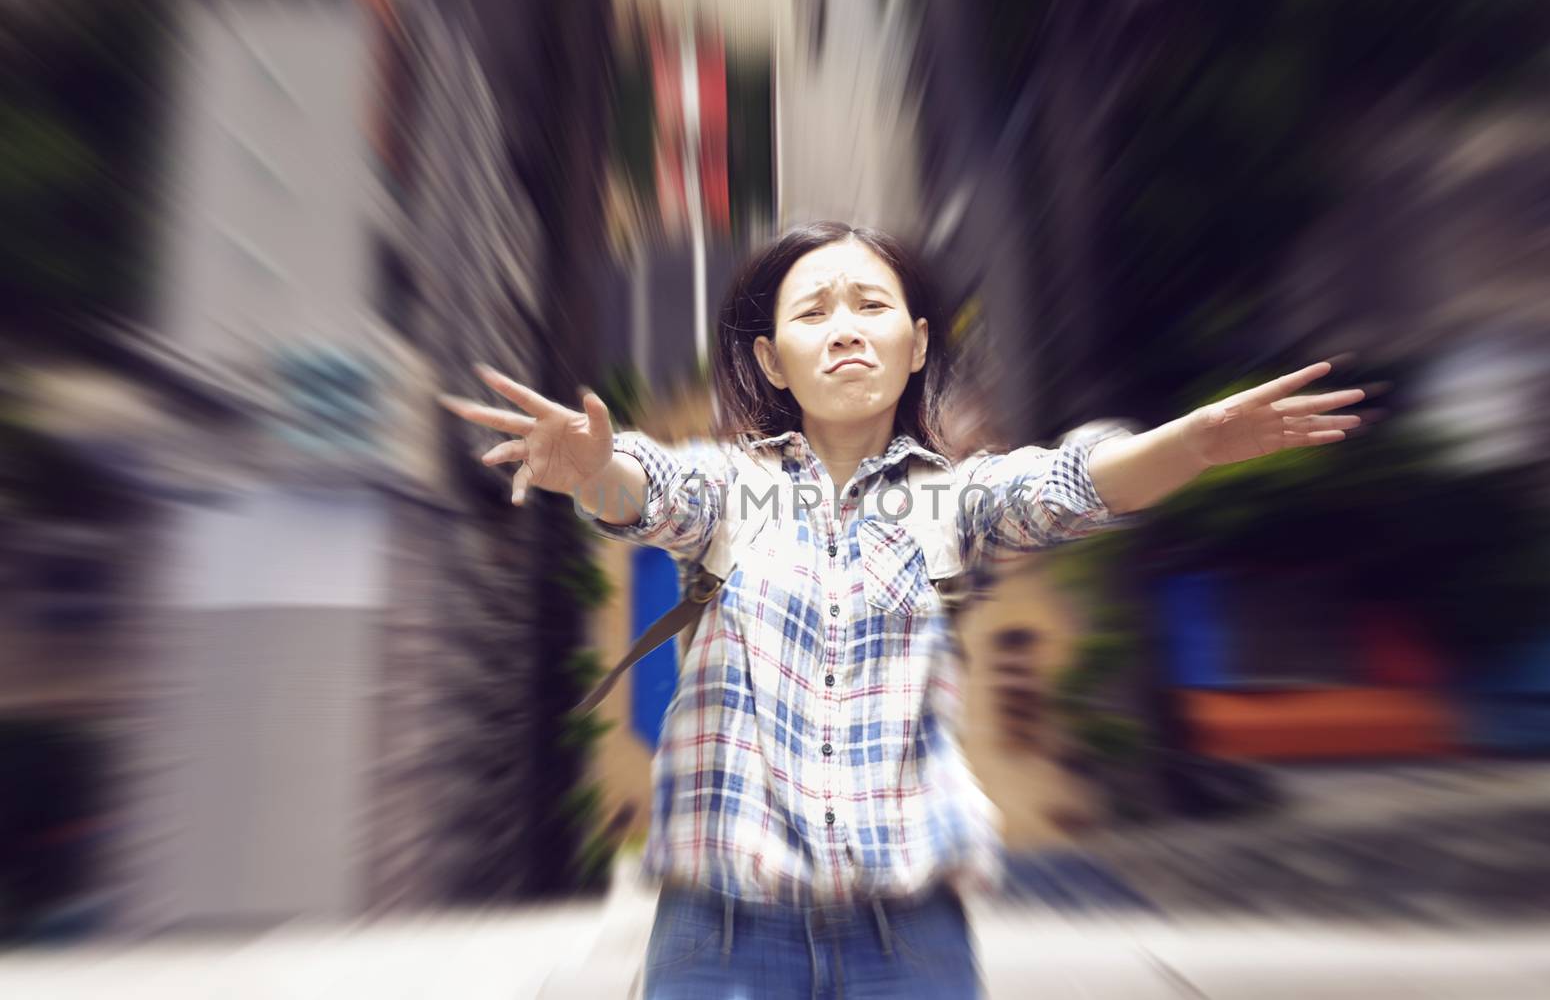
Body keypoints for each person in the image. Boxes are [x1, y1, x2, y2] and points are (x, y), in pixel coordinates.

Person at [438, 221, 1364, 998]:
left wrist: (1191, 444)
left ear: (916, 343)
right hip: (722, 930)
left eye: (871, 305)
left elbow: (1069, 485)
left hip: (907, 935)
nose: (845, 328)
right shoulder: (726, 488)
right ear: (772, 358)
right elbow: (647, 488)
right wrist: (590, 468)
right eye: (814, 311)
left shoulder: (950, 500)